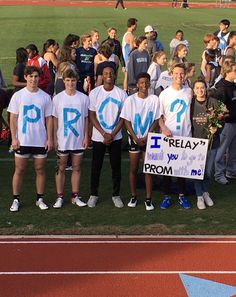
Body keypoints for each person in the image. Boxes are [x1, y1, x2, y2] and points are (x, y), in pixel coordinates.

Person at [7, 66, 53, 212]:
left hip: (40, 140)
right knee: (19, 170)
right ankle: (16, 199)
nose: (34, 79)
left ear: (39, 78)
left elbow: (49, 119)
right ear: (26, 77)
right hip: (23, 140)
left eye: (36, 76)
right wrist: (14, 138)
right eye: (31, 76)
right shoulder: (18, 96)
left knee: (40, 170)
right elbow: (13, 118)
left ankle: (40, 198)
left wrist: (50, 138)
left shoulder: (45, 96)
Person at [87, 62, 127, 208]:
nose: (109, 76)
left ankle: (116, 195)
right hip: (99, 137)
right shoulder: (95, 93)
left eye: (111, 73)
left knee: (116, 167)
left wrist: (112, 134)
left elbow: (123, 117)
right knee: (96, 166)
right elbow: (91, 115)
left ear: (115, 75)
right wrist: (104, 133)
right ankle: (93, 194)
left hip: (115, 137)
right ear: (101, 76)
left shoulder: (121, 94)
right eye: (105, 73)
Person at [120, 72, 160, 211]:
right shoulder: (130, 100)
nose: (144, 85)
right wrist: (135, 137)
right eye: (141, 82)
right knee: (133, 168)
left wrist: (148, 135)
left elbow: (156, 119)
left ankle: (148, 199)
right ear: (137, 84)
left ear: (149, 83)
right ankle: (133, 196)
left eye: (146, 82)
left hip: (149, 139)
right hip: (134, 139)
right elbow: (126, 120)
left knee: (148, 169)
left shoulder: (154, 99)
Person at [52, 69, 89, 208]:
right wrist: (55, 137)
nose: (70, 83)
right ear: (64, 81)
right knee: (60, 168)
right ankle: (59, 197)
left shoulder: (84, 98)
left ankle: (75, 195)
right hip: (63, 138)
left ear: (76, 81)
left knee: (76, 167)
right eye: (67, 80)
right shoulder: (57, 98)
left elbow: (86, 119)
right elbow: (54, 120)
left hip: (78, 138)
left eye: (73, 80)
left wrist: (86, 136)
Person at [158, 63, 192, 209]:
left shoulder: (189, 92)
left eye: (182, 74)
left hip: (185, 134)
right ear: (171, 74)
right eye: (176, 73)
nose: (179, 76)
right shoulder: (164, 94)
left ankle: (181, 195)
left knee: (181, 169)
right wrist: (163, 128)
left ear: (185, 75)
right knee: (168, 168)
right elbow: (159, 117)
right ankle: (166, 196)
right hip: (169, 136)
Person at [191, 80, 217, 209]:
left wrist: (216, 128)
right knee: (197, 171)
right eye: (197, 88)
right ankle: (199, 195)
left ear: (206, 89)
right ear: (194, 90)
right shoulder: (190, 103)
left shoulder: (213, 102)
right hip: (196, 143)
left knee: (208, 171)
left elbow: (221, 119)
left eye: (202, 88)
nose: (200, 90)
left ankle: (205, 192)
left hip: (212, 142)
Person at [214, 61, 236, 184]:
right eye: (235, 70)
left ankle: (231, 171)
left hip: (235, 122)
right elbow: (219, 109)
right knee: (221, 150)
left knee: (234, 150)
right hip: (226, 124)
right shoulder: (221, 87)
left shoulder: (233, 85)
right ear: (227, 72)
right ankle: (218, 174)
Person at [122, 18, 138, 91]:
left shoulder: (127, 34)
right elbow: (132, 48)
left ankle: (126, 90)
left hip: (127, 58)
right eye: (136, 24)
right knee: (127, 75)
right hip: (128, 58)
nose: (136, 26)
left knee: (127, 75)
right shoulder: (130, 35)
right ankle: (126, 90)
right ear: (133, 25)